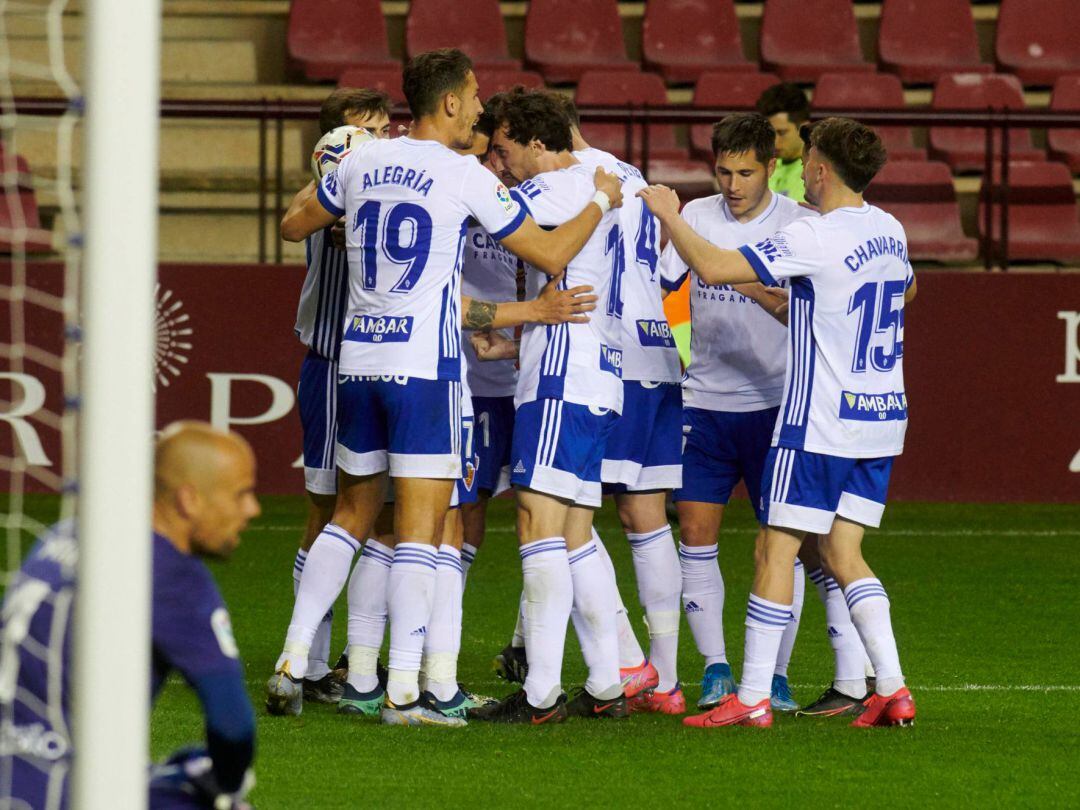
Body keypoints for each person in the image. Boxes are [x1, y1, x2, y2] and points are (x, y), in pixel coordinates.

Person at [269, 48, 623, 727]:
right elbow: (551, 254)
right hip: (425, 370)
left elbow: (292, 225)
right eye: (476, 93)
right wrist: (602, 200)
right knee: (422, 530)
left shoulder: (363, 160)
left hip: (358, 364)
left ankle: (293, 659)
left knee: (349, 516)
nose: (484, 106)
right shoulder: (462, 173)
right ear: (451, 102)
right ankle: (406, 692)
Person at [639, 117, 917, 729]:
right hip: (879, 416)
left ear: (819, 169)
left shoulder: (814, 234)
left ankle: (755, 695)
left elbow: (710, 269)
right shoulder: (889, 229)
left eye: (809, 157)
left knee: (775, 547)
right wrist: (811, 310)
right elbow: (906, 292)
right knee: (844, 553)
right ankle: (892, 689)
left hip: (815, 422)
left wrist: (670, 214)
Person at [2, 422, 260, 808]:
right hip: (62, 789)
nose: (252, 509)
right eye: (241, 494)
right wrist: (224, 785)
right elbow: (233, 727)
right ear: (189, 500)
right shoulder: (170, 575)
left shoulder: (63, 535)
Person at [658, 112, 813, 713]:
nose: (733, 184)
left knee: (782, 547)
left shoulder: (799, 225)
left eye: (745, 172)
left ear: (772, 166)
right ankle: (717, 668)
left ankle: (774, 675)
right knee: (695, 539)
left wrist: (737, 275)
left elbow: (798, 311)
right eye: (723, 171)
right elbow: (663, 285)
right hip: (705, 402)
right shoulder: (694, 217)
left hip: (778, 404)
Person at [567, 96, 685, 714]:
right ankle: (664, 681)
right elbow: (670, 276)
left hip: (609, 359)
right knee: (646, 519)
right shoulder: (635, 176)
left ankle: (627, 662)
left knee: (566, 516)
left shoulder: (580, 182)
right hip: (659, 354)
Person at [290, 87, 393, 706]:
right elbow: (298, 220)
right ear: (335, 140)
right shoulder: (327, 191)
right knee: (325, 513)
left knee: (374, 516)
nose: (380, 138)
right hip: (333, 364)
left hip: (376, 366)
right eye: (369, 128)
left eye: (384, 127)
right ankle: (310, 658)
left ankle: (353, 659)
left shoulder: (371, 184)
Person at [755, 83, 810, 202]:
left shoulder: (819, 173)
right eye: (771, 133)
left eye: (782, 132)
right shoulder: (763, 167)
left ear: (803, 128)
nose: (774, 142)